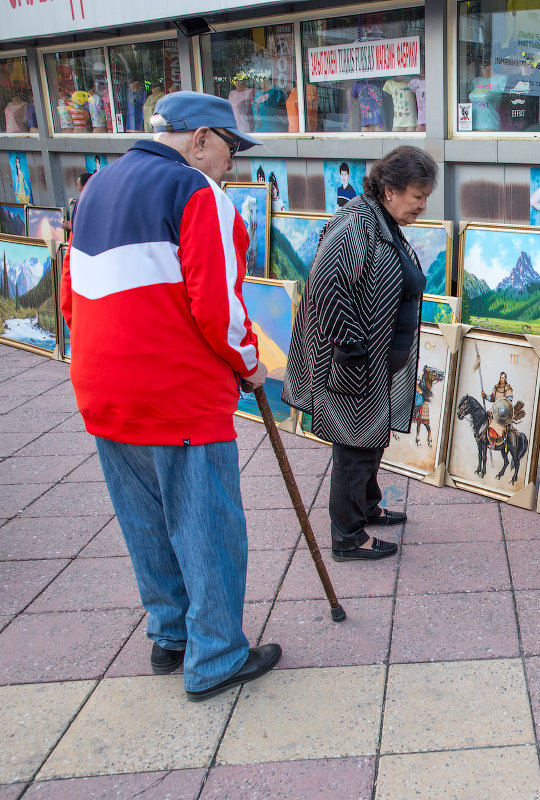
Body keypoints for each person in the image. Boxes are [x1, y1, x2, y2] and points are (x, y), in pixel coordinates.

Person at [61, 90, 282, 701]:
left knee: (145, 521)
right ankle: (215, 655)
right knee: (205, 524)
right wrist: (250, 365)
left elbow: (68, 297)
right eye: (231, 149)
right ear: (201, 138)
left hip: (103, 387)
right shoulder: (197, 193)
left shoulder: (95, 187)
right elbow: (218, 306)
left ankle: (170, 635)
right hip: (177, 390)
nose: (232, 165)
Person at [284, 146, 438, 561]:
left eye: (426, 197)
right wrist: (350, 347)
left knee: (371, 439)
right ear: (389, 189)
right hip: (353, 359)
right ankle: (347, 536)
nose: (423, 205)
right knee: (354, 444)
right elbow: (326, 283)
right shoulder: (356, 222)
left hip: (376, 357)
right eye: (417, 196)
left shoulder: (380, 219)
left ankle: (367, 507)